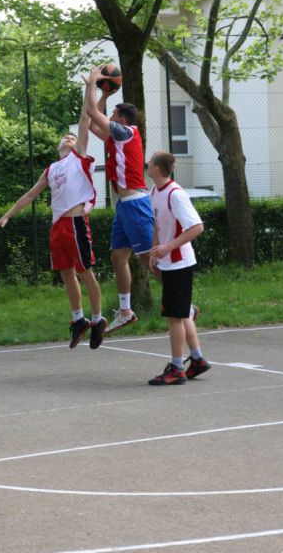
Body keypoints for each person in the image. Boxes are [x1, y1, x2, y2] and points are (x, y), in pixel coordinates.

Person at [0, 95, 107, 351]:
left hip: (76, 223)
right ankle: (79, 320)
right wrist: (8, 214)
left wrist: (91, 89)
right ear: (57, 147)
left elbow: (84, 120)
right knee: (66, 273)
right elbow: (30, 195)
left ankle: (98, 320)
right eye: (65, 136)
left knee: (85, 272)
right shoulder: (51, 169)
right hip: (58, 227)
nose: (69, 136)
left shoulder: (78, 157)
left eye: (72, 136)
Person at [83, 67, 154, 333]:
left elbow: (92, 114)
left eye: (113, 114)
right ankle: (125, 310)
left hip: (135, 203)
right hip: (124, 206)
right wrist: (103, 93)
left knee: (149, 259)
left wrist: (92, 85)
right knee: (117, 257)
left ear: (122, 120)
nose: (109, 116)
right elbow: (93, 123)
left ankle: (182, 302)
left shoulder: (127, 132)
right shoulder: (116, 136)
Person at [146, 150, 211, 385]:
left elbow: (196, 227)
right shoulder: (154, 191)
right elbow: (156, 223)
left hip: (180, 264)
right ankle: (197, 360)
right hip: (167, 261)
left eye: (150, 161)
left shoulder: (175, 194)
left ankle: (176, 368)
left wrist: (168, 247)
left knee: (174, 317)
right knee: (182, 314)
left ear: (157, 168)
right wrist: (155, 249)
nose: (147, 163)